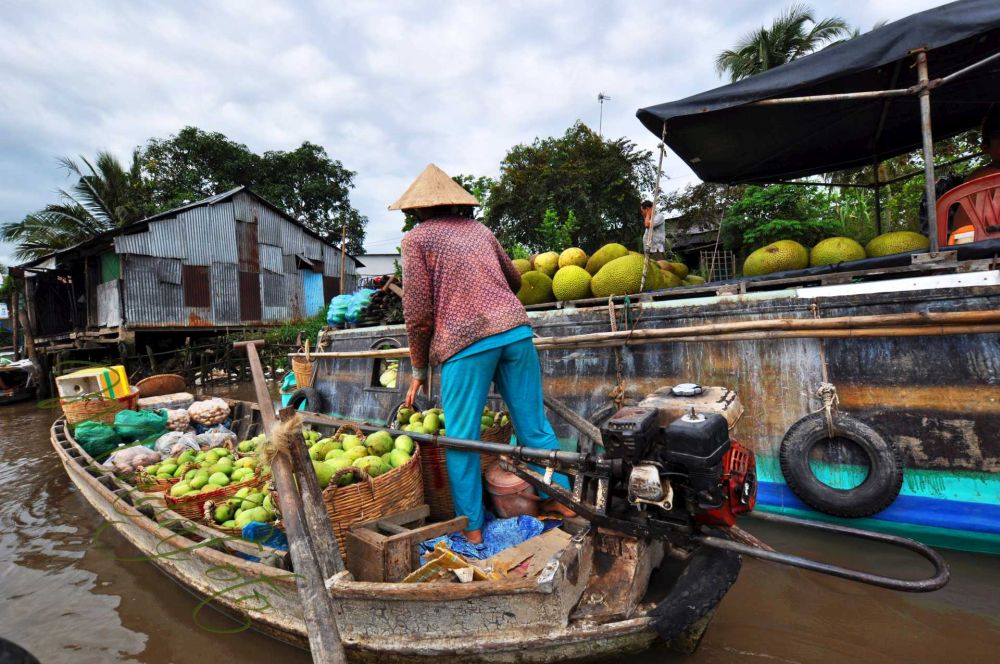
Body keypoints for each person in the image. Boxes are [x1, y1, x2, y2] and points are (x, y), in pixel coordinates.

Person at [392, 163, 574, 545]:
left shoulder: (416, 240)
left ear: (416, 211)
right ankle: (563, 502)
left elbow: (418, 312)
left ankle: (472, 529)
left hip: (465, 342)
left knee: (462, 440)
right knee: (534, 426)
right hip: (515, 331)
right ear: (457, 203)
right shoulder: (480, 230)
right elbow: (515, 279)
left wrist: (418, 369)